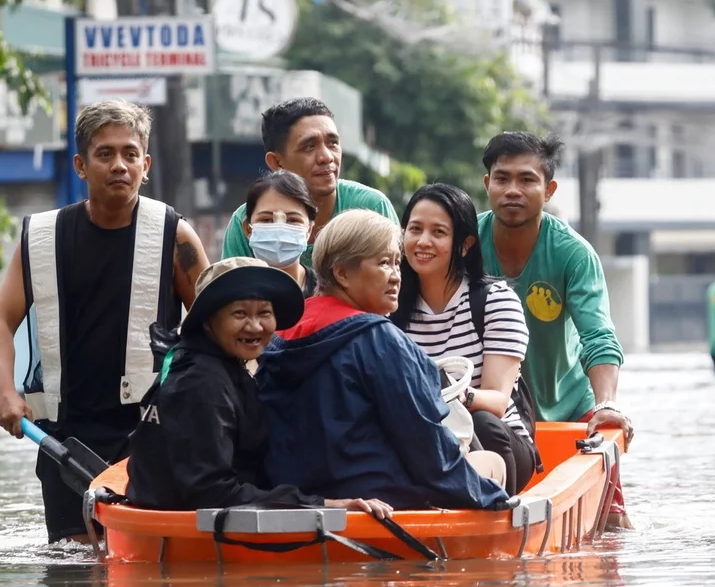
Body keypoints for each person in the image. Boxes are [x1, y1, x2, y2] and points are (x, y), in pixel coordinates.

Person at [0, 100, 210, 543]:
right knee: (72, 568)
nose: (119, 165)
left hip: (151, 431)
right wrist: (4, 391)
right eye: (105, 154)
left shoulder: (174, 235)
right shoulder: (42, 237)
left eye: (130, 154)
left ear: (146, 164)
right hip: (65, 436)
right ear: (81, 166)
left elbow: (214, 325)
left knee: (144, 562)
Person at [257, 209, 510, 511]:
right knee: (492, 463)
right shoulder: (380, 339)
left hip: (301, 500)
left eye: (396, 263)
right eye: (383, 263)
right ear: (342, 273)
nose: (395, 277)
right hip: (381, 500)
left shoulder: (279, 335)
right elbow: (427, 449)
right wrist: (491, 496)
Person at [126, 257, 392, 517]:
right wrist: (326, 505)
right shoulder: (201, 384)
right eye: (239, 313)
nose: (255, 326)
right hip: (189, 535)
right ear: (208, 320)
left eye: (264, 313)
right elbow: (211, 495)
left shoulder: (220, 364)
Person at [476, 131, 633, 527]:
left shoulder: (573, 253)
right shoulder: (464, 243)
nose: (513, 189)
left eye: (527, 180)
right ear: (487, 185)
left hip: (569, 406)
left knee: (612, 525)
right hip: (494, 411)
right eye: (502, 178)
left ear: (548, 190)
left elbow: (597, 335)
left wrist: (606, 404)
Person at [392, 183, 541, 496]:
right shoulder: (390, 308)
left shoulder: (495, 301)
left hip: (498, 440)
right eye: (415, 229)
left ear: (464, 244)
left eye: (438, 232)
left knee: (484, 421)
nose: (422, 241)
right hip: (425, 438)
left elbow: (498, 402)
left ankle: (497, 511)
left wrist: (454, 396)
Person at [222, 98, 397, 264]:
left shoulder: (371, 207)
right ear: (277, 162)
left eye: (333, 143)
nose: (326, 157)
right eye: (309, 146)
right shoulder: (250, 220)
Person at [235, 170, 318, 297]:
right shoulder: (234, 293)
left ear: (309, 231)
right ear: (248, 229)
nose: (280, 229)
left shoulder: (324, 293)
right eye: (266, 219)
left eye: (292, 220)